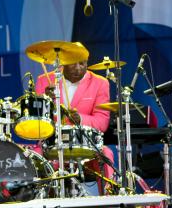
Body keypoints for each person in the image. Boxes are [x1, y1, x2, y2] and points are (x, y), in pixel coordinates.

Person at [34, 55, 114, 189]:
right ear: (64, 63)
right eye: (73, 64)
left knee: (106, 154)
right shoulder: (45, 81)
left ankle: (110, 206)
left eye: (82, 64)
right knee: (34, 157)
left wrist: (81, 119)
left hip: (86, 145)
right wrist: (45, 100)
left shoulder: (100, 83)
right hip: (52, 145)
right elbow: (37, 121)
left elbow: (102, 122)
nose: (78, 68)